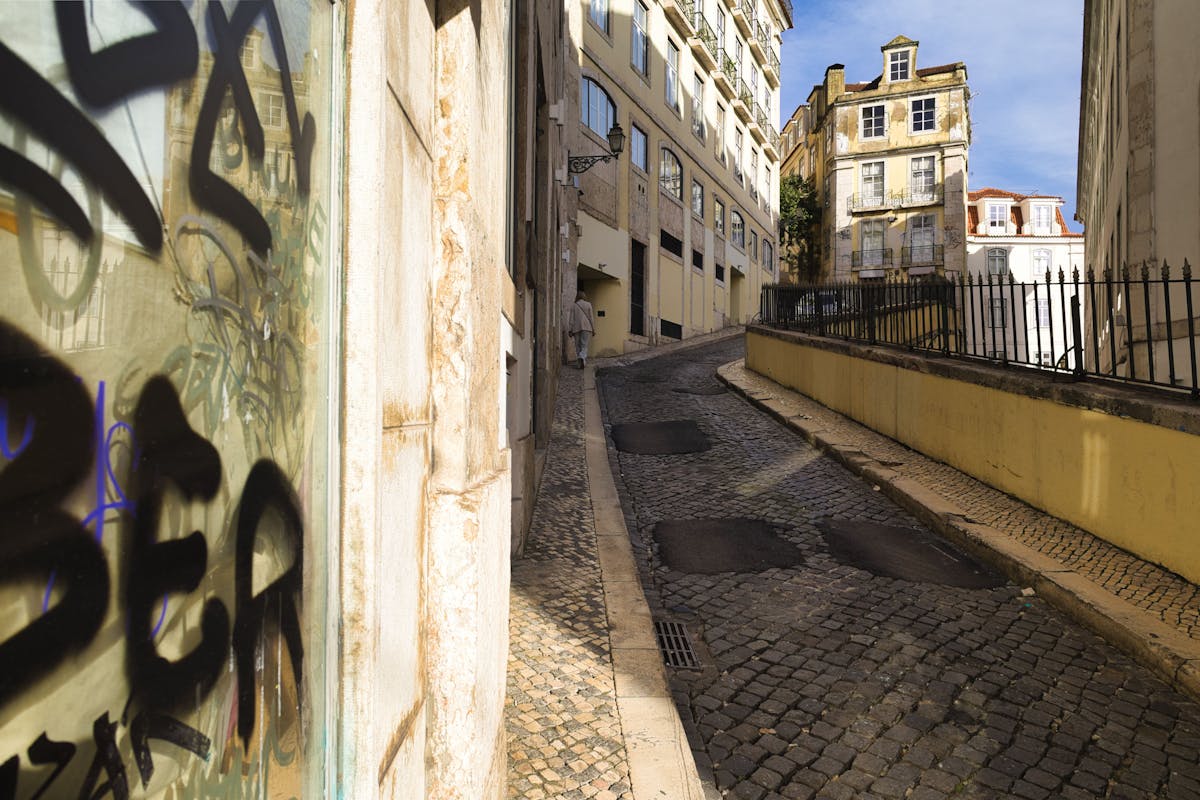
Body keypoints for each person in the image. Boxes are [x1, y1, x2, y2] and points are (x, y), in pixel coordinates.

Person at [568, 290, 595, 369]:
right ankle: (582, 357)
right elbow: (591, 318)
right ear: (584, 296)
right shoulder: (588, 304)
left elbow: (571, 319)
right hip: (587, 327)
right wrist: (593, 328)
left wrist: (570, 329)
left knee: (577, 345)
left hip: (576, 327)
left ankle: (580, 362)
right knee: (584, 344)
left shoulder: (574, 305)